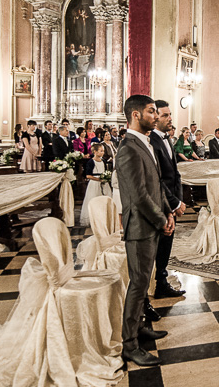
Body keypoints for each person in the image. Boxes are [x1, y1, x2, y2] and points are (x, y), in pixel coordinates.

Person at [116, 94, 174, 367]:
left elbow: (157, 184)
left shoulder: (146, 143)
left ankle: (140, 326)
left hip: (153, 221)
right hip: (140, 226)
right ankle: (129, 344)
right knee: (138, 284)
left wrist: (168, 212)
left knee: (144, 281)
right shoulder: (128, 148)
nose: (156, 115)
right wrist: (161, 220)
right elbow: (138, 195)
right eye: (152, 111)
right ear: (136, 115)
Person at [149, 100, 187, 300]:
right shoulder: (152, 142)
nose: (170, 118)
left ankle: (161, 283)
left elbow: (175, 174)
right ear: (155, 118)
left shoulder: (168, 140)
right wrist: (173, 203)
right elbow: (157, 178)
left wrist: (179, 200)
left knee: (166, 245)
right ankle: (157, 284)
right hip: (160, 202)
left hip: (171, 201)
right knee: (160, 244)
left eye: (170, 114)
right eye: (165, 115)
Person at [80, 143, 112, 226]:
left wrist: (106, 177)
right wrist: (98, 179)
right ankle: (94, 219)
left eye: (103, 151)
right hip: (95, 183)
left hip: (103, 182)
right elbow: (88, 175)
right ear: (95, 152)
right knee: (94, 199)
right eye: (101, 151)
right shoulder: (91, 162)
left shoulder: (103, 161)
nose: (102, 153)